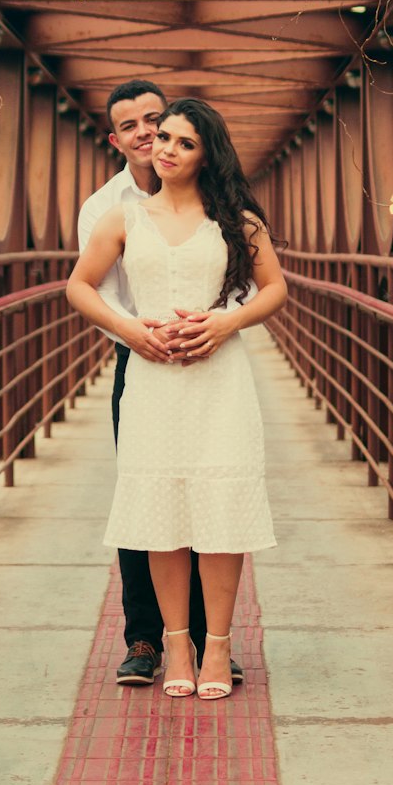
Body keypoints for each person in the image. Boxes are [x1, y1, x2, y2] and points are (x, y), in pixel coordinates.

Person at [68, 98, 286, 700]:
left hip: (220, 378)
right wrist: (132, 330)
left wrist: (226, 323)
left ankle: (219, 645)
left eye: (183, 143)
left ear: (206, 153)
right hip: (152, 377)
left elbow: (274, 290)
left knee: (219, 509)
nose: (164, 148)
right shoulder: (121, 217)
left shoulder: (236, 220)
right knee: (159, 510)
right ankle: (176, 642)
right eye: (162, 137)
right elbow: (79, 286)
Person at [78, 80, 236, 688]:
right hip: (138, 360)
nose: (149, 134)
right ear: (114, 139)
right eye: (135, 126)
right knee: (147, 496)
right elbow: (93, 288)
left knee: (211, 495)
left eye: (158, 121)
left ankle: (207, 641)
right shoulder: (106, 208)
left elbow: (253, 278)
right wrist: (134, 335)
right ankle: (147, 638)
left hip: (209, 361)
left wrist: (221, 325)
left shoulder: (221, 206)